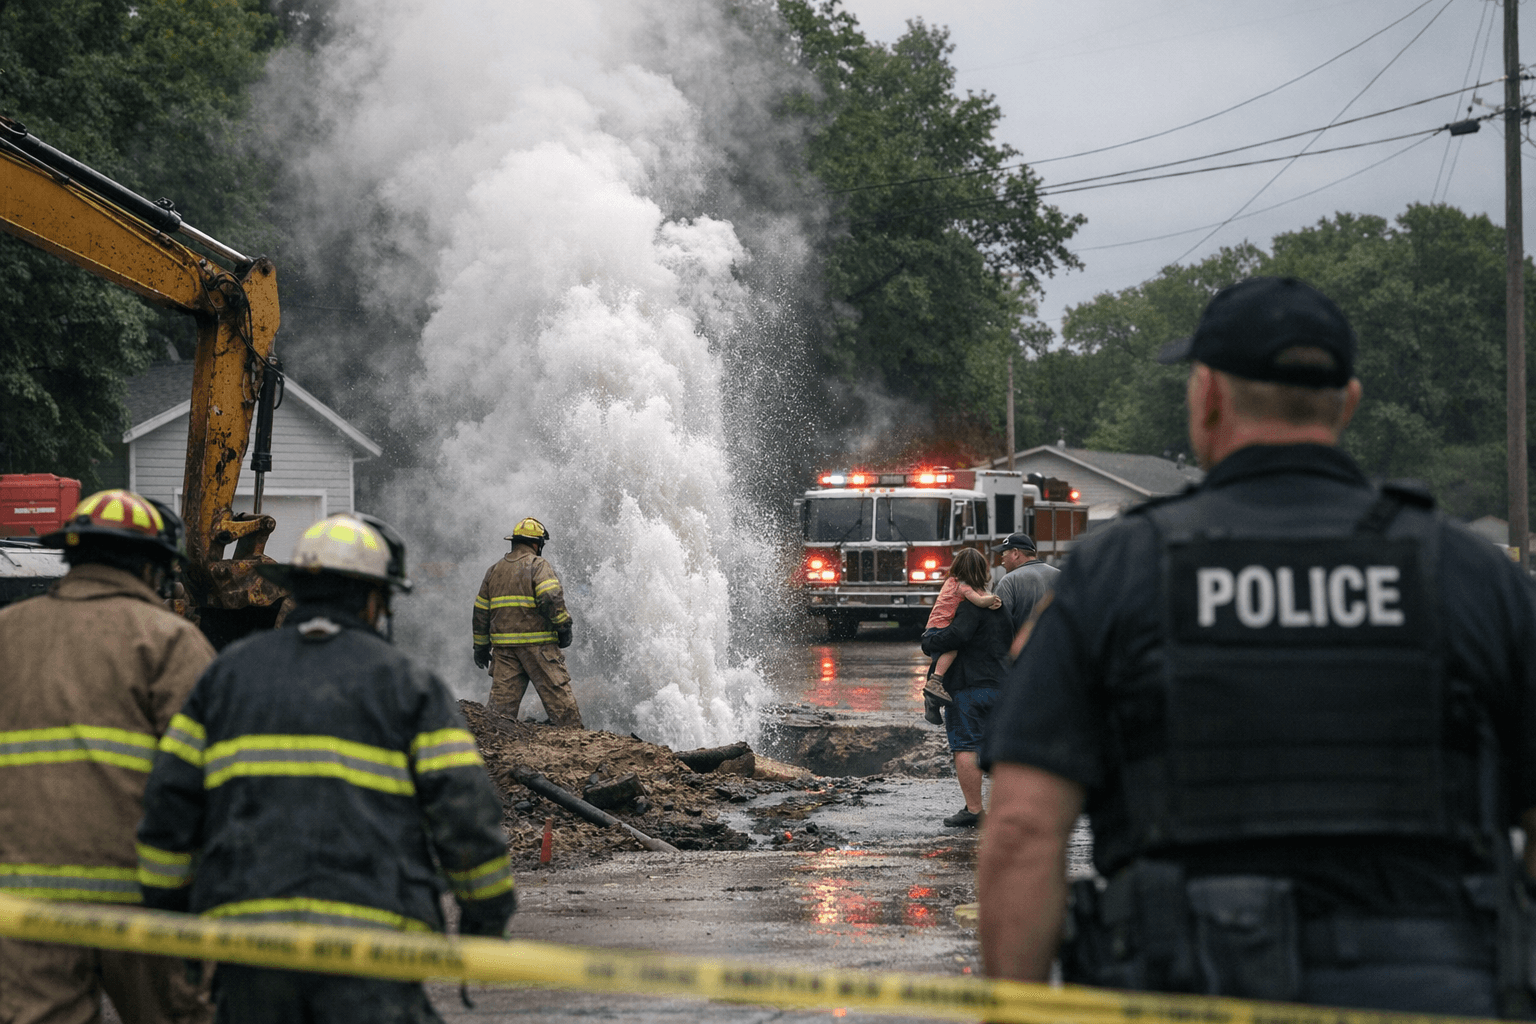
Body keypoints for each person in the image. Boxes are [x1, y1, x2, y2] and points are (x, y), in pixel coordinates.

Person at [977, 276, 1536, 1015]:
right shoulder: (1473, 576)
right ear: (1349, 401)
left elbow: (1023, 828)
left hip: (1188, 990)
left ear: (1208, 395)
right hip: (1438, 992)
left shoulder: (1118, 573)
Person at [137, 513, 516, 1024]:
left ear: (296, 590)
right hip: (375, 950)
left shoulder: (225, 677)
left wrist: (172, 921)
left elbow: (169, 810)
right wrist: (485, 919)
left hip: (250, 949)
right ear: (374, 600)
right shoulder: (411, 687)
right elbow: (466, 818)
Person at [0, 489, 216, 1024]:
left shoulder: (7, 633)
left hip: (25, 898)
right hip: (141, 897)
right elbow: (208, 777)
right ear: (150, 567)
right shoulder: (171, 640)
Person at [920, 547, 1012, 829]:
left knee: (966, 746)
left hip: (968, 688)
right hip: (1000, 685)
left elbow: (957, 636)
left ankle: (974, 810)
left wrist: (928, 642)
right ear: (984, 572)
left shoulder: (967, 605)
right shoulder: (998, 606)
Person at [472, 517, 581, 728]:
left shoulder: (494, 570)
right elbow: (550, 596)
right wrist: (563, 626)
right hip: (539, 649)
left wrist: (481, 647)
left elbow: (481, 612)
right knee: (563, 708)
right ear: (536, 544)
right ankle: (576, 741)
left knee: (499, 717)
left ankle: (499, 743)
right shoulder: (537, 565)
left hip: (505, 651)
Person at [920, 560, 1003, 709]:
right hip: (943, 627)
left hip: (932, 625)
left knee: (939, 657)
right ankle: (935, 681)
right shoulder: (965, 588)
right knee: (951, 650)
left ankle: (932, 702)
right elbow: (980, 600)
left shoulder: (950, 582)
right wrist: (993, 599)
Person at [991, 533, 1060, 640]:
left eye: (1003, 553)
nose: (1002, 558)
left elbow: (998, 627)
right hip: (1060, 647)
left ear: (1015, 553)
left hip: (1026, 648)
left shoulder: (1008, 581)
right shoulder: (1060, 576)